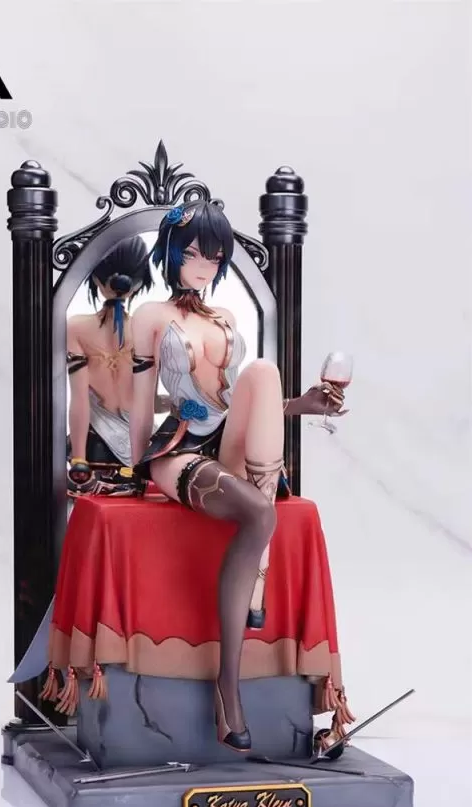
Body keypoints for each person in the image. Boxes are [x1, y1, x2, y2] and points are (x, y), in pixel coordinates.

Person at [130, 201, 345, 752]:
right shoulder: (150, 316)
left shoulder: (223, 316)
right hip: (178, 449)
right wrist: (134, 472)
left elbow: (239, 405)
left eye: (214, 256)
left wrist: (302, 406)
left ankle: (259, 568)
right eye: (193, 254)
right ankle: (228, 686)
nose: (203, 266)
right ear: (172, 252)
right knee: (258, 512)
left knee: (265, 371)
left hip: (228, 442)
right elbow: (140, 403)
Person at [66, 236, 153, 496]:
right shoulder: (148, 328)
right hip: (142, 451)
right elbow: (147, 401)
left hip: (95, 450)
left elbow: (79, 400)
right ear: (139, 284)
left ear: (96, 278)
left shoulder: (76, 327)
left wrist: (79, 460)